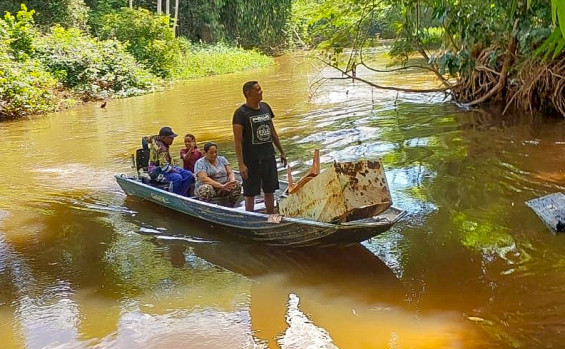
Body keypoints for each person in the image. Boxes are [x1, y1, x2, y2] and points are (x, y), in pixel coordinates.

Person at [232, 81, 286, 213]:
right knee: (250, 193)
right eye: (257, 90)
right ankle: (250, 219)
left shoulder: (265, 107)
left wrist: (282, 152)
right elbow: (238, 141)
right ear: (248, 93)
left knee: (270, 190)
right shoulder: (240, 113)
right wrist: (241, 164)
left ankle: (272, 217)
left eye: (260, 89)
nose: (261, 92)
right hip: (251, 159)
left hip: (268, 156)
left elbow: (272, 131)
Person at [143, 126, 194, 196]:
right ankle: (174, 196)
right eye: (170, 138)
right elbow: (164, 167)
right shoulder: (162, 149)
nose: (172, 140)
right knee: (177, 178)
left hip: (167, 166)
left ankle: (182, 194)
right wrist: (174, 170)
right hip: (156, 170)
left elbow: (144, 139)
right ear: (163, 138)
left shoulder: (154, 138)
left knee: (189, 175)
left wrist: (145, 149)